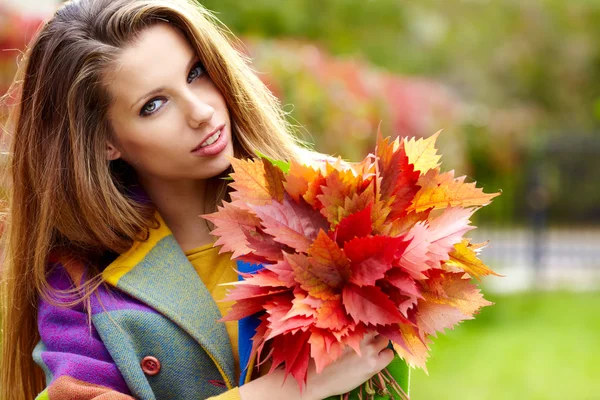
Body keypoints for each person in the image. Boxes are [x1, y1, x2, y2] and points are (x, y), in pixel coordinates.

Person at [0, 0, 399, 399]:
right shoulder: (81, 286)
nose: (201, 112)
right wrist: (284, 392)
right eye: (153, 105)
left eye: (195, 73)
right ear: (105, 143)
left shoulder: (332, 213)